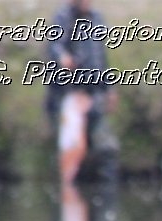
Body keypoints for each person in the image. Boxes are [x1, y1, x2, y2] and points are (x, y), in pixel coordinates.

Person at [45, 0, 114, 185]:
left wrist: (109, 88)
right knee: (69, 150)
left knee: (106, 149)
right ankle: (66, 194)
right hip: (67, 96)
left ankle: (104, 199)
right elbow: (54, 46)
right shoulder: (62, 18)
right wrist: (62, 58)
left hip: (93, 94)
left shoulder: (97, 19)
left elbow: (101, 57)